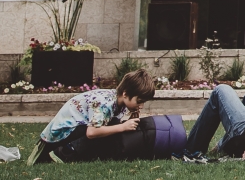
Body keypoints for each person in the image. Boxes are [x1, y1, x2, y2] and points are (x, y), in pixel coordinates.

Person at [30, 69, 158, 163]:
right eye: (139, 101)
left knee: (112, 126)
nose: (141, 106)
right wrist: (123, 127)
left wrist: (129, 120)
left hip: (75, 131)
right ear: (125, 94)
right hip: (58, 137)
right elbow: (91, 132)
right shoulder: (105, 103)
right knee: (110, 128)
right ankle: (62, 154)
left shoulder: (119, 102)